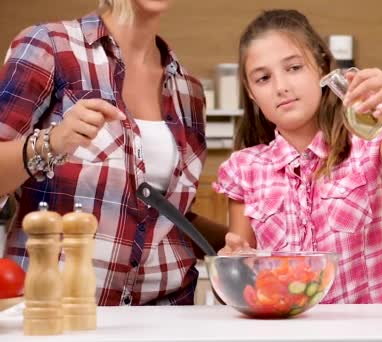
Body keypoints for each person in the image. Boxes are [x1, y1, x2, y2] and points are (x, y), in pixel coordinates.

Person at [214, 9, 382, 303]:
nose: (281, 87)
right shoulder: (245, 169)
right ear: (251, 92)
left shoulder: (371, 144)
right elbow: (244, 284)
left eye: (293, 68)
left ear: (321, 66)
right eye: (264, 78)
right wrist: (233, 263)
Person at [0, 0, 227, 305]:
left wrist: (243, 246)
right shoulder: (50, 46)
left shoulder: (189, 91)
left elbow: (165, 216)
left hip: (168, 313)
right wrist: (53, 142)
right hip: (60, 311)